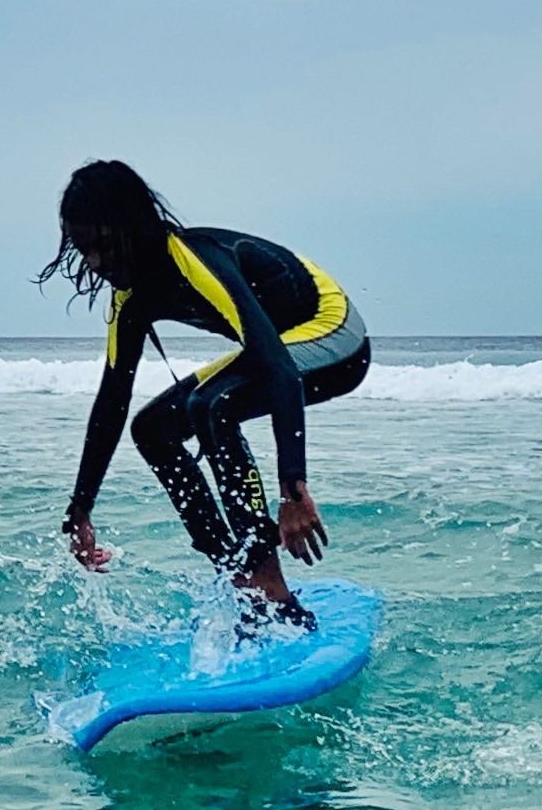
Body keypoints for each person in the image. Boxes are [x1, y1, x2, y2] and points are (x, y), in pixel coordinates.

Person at [41, 159, 369, 628]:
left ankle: (270, 588)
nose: (95, 262)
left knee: (212, 405)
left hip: (334, 336)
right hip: (277, 350)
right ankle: (237, 575)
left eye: (105, 245)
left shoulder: (197, 260)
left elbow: (279, 369)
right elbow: (112, 401)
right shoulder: (130, 297)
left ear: (134, 227)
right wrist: (81, 508)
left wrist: (293, 489)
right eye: (84, 249)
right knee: (152, 429)